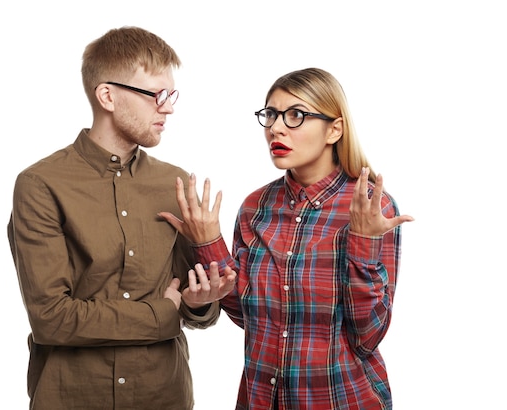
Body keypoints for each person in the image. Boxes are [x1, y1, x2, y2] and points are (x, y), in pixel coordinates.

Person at [7, 26, 235, 410]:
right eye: (156, 95)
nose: (168, 107)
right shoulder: (41, 184)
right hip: (73, 397)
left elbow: (196, 309)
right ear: (107, 96)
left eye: (171, 94)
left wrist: (199, 302)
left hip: (164, 396)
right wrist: (163, 312)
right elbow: (52, 318)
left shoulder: (174, 183)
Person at [159, 67, 414, 409]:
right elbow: (248, 316)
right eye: (271, 115)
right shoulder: (255, 207)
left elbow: (368, 336)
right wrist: (208, 242)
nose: (276, 128)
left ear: (334, 129)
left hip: (341, 400)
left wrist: (363, 243)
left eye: (296, 115)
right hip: (261, 400)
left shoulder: (370, 206)